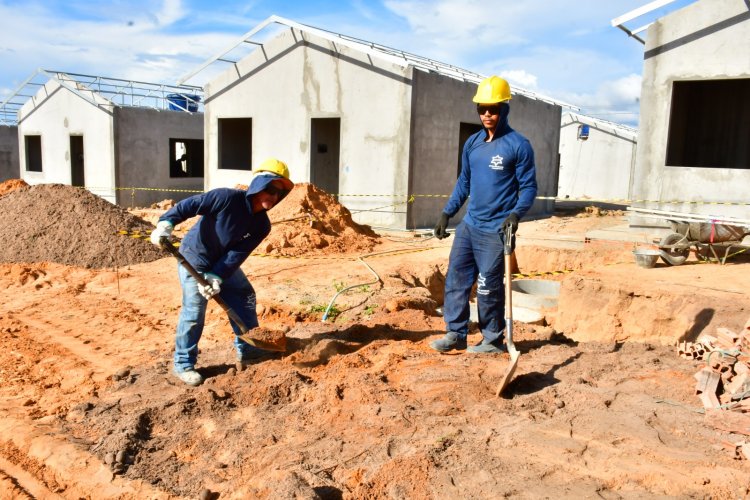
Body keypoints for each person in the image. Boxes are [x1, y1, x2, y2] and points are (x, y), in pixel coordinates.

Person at [150, 158, 294, 385]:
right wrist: (166, 223)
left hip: (220, 263)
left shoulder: (261, 225)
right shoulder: (225, 198)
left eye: (278, 193)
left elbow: (237, 253)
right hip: (194, 258)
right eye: (270, 189)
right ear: (258, 185)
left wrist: (217, 276)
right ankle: (183, 363)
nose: (273, 196)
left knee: (244, 294)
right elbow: (189, 205)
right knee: (195, 310)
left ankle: (248, 349)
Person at [431, 76, 537, 354]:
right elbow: (464, 182)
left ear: (505, 109)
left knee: (489, 287)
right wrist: (447, 212)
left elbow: (528, 187)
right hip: (469, 226)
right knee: (456, 279)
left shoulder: (518, 145)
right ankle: (456, 333)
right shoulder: (473, 144)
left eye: (493, 108)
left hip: (496, 229)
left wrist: (516, 214)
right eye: (482, 108)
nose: (487, 114)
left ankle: (492, 339)